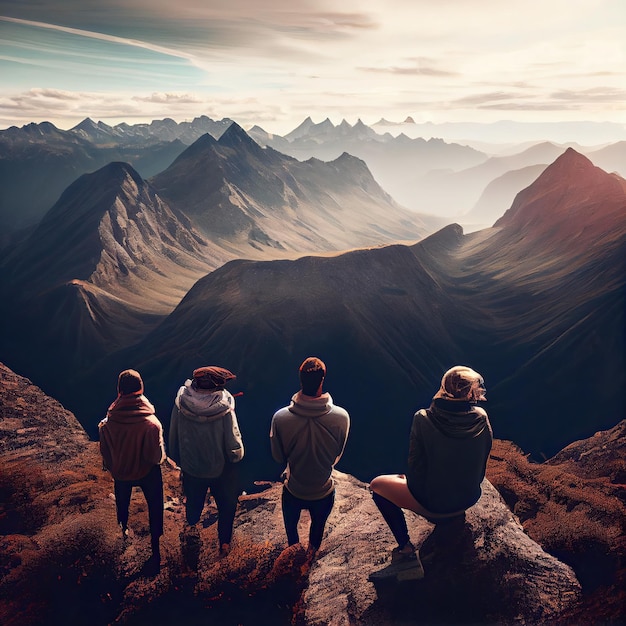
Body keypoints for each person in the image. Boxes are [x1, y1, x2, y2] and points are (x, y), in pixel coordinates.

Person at [369, 365, 493, 579]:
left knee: (377, 485)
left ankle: (406, 552)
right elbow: (482, 461)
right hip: (469, 498)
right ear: (471, 391)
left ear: (444, 388)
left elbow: (416, 468)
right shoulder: (481, 418)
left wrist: (406, 483)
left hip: (435, 505)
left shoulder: (423, 418)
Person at [270, 357, 350, 559]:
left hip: (294, 489)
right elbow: (336, 456)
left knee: (291, 529)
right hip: (323, 491)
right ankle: (310, 556)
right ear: (322, 379)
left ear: (300, 379)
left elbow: (278, 456)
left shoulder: (280, 417)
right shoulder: (341, 417)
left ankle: (293, 555)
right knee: (318, 525)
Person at [169, 366, 244, 558]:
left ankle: (190, 541)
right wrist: (236, 458)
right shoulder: (225, 408)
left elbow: (173, 438)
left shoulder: (181, 404)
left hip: (192, 468)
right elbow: (234, 446)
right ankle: (224, 546)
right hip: (220, 470)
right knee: (226, 507)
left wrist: (181, 460)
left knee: (193, 506)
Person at [99, 369, 166, 569]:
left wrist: (114, 467)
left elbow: (106, 454)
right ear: (141, 388)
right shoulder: (151, 424)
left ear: (119, 390)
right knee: (155, 504)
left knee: (122, 499)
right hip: (147, 472)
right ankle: (156, 544)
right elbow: (155, 458)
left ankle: (123, 528)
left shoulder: (107, 423)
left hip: (121, 472)